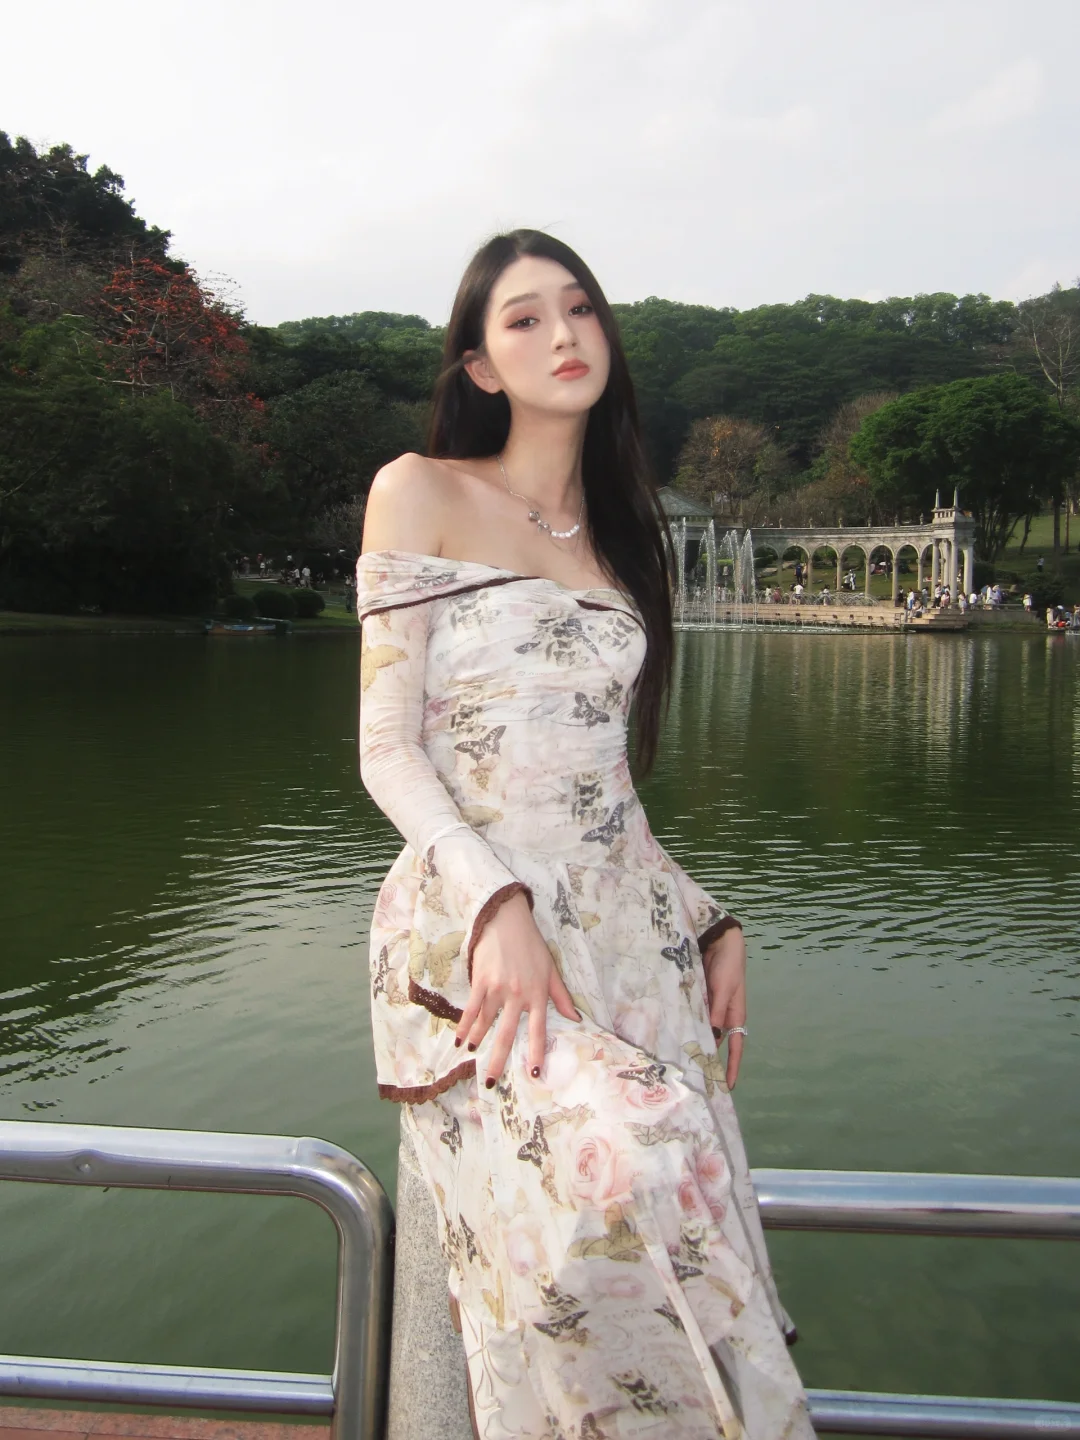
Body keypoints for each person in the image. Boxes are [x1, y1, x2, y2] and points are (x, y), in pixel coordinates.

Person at [356, 230, 810, 1440]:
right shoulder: (422, 489)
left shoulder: (618, 538)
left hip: (629, 934)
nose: (563, 335)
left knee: (671, 1222)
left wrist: (707, 917)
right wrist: (495, 902)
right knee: (631, 1163)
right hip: (479, 929)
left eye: (581, 308)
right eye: (524, 319)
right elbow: (388, 750)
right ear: (480, 365)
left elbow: (600, 793)